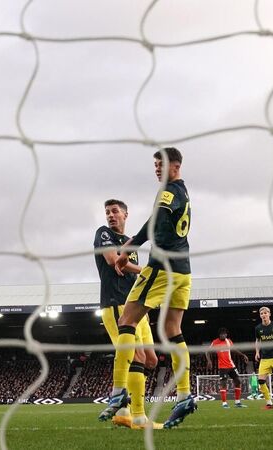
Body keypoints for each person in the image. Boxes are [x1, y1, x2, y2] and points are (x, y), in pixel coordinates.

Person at [114, 147, 194, 429]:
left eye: (162, 164)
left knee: (126, 321)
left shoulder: (168, 191)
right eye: (155, 165)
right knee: (173, 330)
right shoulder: (182, 191)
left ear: (176, 166)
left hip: (162, 267)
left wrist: (129, 248)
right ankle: (184, 395)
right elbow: (156, 220)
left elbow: (156, 223)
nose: (157, 169)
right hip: (183, 270)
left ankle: (118, 391)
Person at [93, 199, 157, 425]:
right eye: (107, 212)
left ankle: (121, 409)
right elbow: (114, 261)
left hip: (136, 306)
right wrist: (147, 270)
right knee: (137, 356)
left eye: (115, 211)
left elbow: (132, 277)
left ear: (125, 215)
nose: (110, 215)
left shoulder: (130, 243)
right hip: (115, 304)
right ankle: (137, 416)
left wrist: (145, 306)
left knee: (151, 360)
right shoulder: (103, 234)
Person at [206, 327, 249, 408]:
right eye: (222, 334)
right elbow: (208, 352)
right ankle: (224, 403)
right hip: (222, 367)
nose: (224, 335)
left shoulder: (228, 341)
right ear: (219, 335)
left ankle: (237, 402)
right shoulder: (215, 342)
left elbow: (234, 350)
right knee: (224, 384)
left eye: (225, 334)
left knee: (238, 381)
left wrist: (243, 355)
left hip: (231, 365)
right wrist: (209, 361)